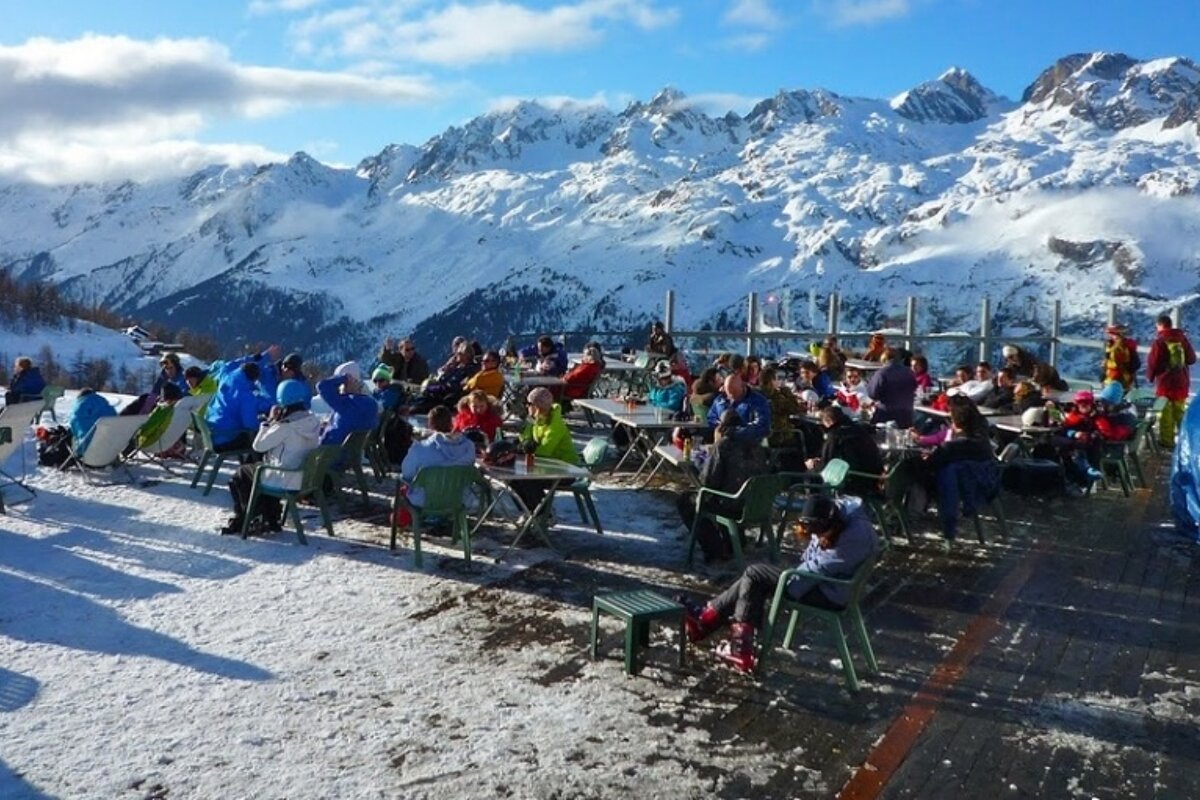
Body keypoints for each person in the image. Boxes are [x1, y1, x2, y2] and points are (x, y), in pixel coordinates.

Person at [682, 494, 879, 673]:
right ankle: (708, 620)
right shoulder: (835, 517)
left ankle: (737, 644)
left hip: (831, 592)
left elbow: (818, 569)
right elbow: (813, 559)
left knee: (755, 575)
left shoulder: (855, 537)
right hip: (826, 582)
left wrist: (787, 583)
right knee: (753, 579)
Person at [221, 379, 322, 535]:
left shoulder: (285, 426)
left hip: (284, 477)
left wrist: (268, 423)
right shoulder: (313, 421)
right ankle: (270, 517)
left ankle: (249, 517)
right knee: (257, 468)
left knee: (242, 474)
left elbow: (258, 446)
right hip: (304, 476)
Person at [677, 409, 770, 562]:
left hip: (732, 505)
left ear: (721, 427)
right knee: (723, 492)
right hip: (757, 504)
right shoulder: (757, 444)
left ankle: (715, 550)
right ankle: (734, 541)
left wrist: (715, 445)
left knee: (687, 501)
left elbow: (708, 482)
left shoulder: (724, 445)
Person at [924, 400, 999, 546]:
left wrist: (929, 456)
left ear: (956, 422)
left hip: (959, 489)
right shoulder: (982, 442)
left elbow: (930, 463)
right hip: (986, 484)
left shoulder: (951, 447)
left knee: (928, 473)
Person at [514, 387, 578, 513]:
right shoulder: (537, 419)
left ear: (537, 406)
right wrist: (520, 441)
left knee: (528, 481)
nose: (527, 407)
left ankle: (543, 514)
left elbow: (544, 451)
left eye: (529, 404)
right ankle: (528, 511)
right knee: (513, 480)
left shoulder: (555, 425)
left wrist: (525, 449)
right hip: (547, 465)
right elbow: (526, 439)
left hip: (566, 469)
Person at [400, 405, 478, 508]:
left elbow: (407, 474)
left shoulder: (420, 448)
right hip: (459, 499)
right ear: (451, 423)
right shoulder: (469, 447)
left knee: (403, 488)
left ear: (430, 424)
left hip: (425, 500)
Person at [805, 405, 884, 498]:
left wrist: (813, 464)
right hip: (872, 478)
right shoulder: (860, 430)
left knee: (810, 474)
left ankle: (814, 505)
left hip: (852, 482)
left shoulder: (835, 435)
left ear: (829, 421)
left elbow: (826, 463)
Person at [1146, 314, 1196, 449]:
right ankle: (1184, 442)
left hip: (1165, 384)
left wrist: (1150, 377)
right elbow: (1192, 359)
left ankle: (1167, 442)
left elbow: (1153, 363)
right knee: (1180, 413)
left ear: (1160, 326)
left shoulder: (1159, 341)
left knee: (1165, 414)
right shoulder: (1182, 339)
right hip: (1181, 383)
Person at [205, 361, 267, 453]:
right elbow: (250, 425)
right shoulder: (246, 394)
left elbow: (225, 365)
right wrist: (265, 424)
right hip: (225, 439)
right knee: (261, 440)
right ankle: (250, 465)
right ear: (254, 379)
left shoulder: (227, 377)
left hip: (212, 431)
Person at [317, 361, 380, 450]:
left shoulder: (345, 403)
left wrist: (343, 378)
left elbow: (322, 386)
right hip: (353, 454)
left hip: (331, 453)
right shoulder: (371, 403)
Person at [707, 374, 771, 443]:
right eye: (730, 394)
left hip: (747, 445)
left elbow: (762, 426)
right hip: (722, 442)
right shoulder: (720, 400)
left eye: (735, 393)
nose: (732, 397)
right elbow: (711, 418)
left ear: (743, 387)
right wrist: (721, 427)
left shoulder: (757, 401)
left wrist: (736, 432)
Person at [866, 347, 918, 428]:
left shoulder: (881, 373)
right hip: (906, 415)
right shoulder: (909, 372)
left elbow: (872, 393)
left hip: (886, 414)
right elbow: (914, 388)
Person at [68, 388, 116, 456]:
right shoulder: (106, 404)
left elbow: (74, 429)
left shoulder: (78, 407)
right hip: (111, 452)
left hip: (88, 453)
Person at [1102, 324, 1140, 391]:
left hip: (1116, 379)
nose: (1110, 336)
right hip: (1117, 378)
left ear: (1119, 335)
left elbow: (1117, 364)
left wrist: (1105, 371)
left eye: (1112, 334)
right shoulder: (1114, 345)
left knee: (1114, 398)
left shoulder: (1118, 348)